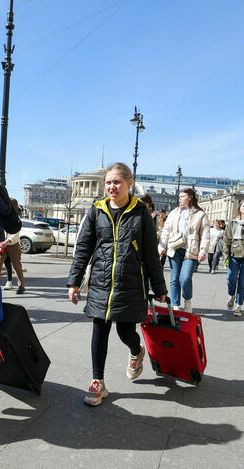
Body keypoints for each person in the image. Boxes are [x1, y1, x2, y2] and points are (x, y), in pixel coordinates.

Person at [67, 163, 167, 407]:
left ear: (129, 183)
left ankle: (137, 351)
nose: (112, 187)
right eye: (109, 182)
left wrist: (160, 288)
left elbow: (151, 253)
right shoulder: (96, 210)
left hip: (130, 282)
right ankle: (97, 382)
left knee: (125, 332)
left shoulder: (141, 212)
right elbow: (83, 247)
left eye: (117, 182)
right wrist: (75, 281)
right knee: (99, 329)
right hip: (101, 281)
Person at [158, 188, 210, 312]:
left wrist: (203, 251)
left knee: (185, 278)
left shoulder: (200, 214)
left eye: (182, 196)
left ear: (190, 197)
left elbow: (205, 234)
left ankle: (187, 299)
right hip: (174, 249)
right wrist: (161, 246)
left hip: (190, 251)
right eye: (179, 196)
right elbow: (166, 231)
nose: (179, 199)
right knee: (174, 278)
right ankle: (175, 305)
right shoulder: (174, 212)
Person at [0, 198, 26, 294]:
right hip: (1, 245)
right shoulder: (0, 216)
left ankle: (21, 285)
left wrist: (7, 241)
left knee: (17, 266)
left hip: (13, 245)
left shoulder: (16, 219)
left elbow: (15, 233)